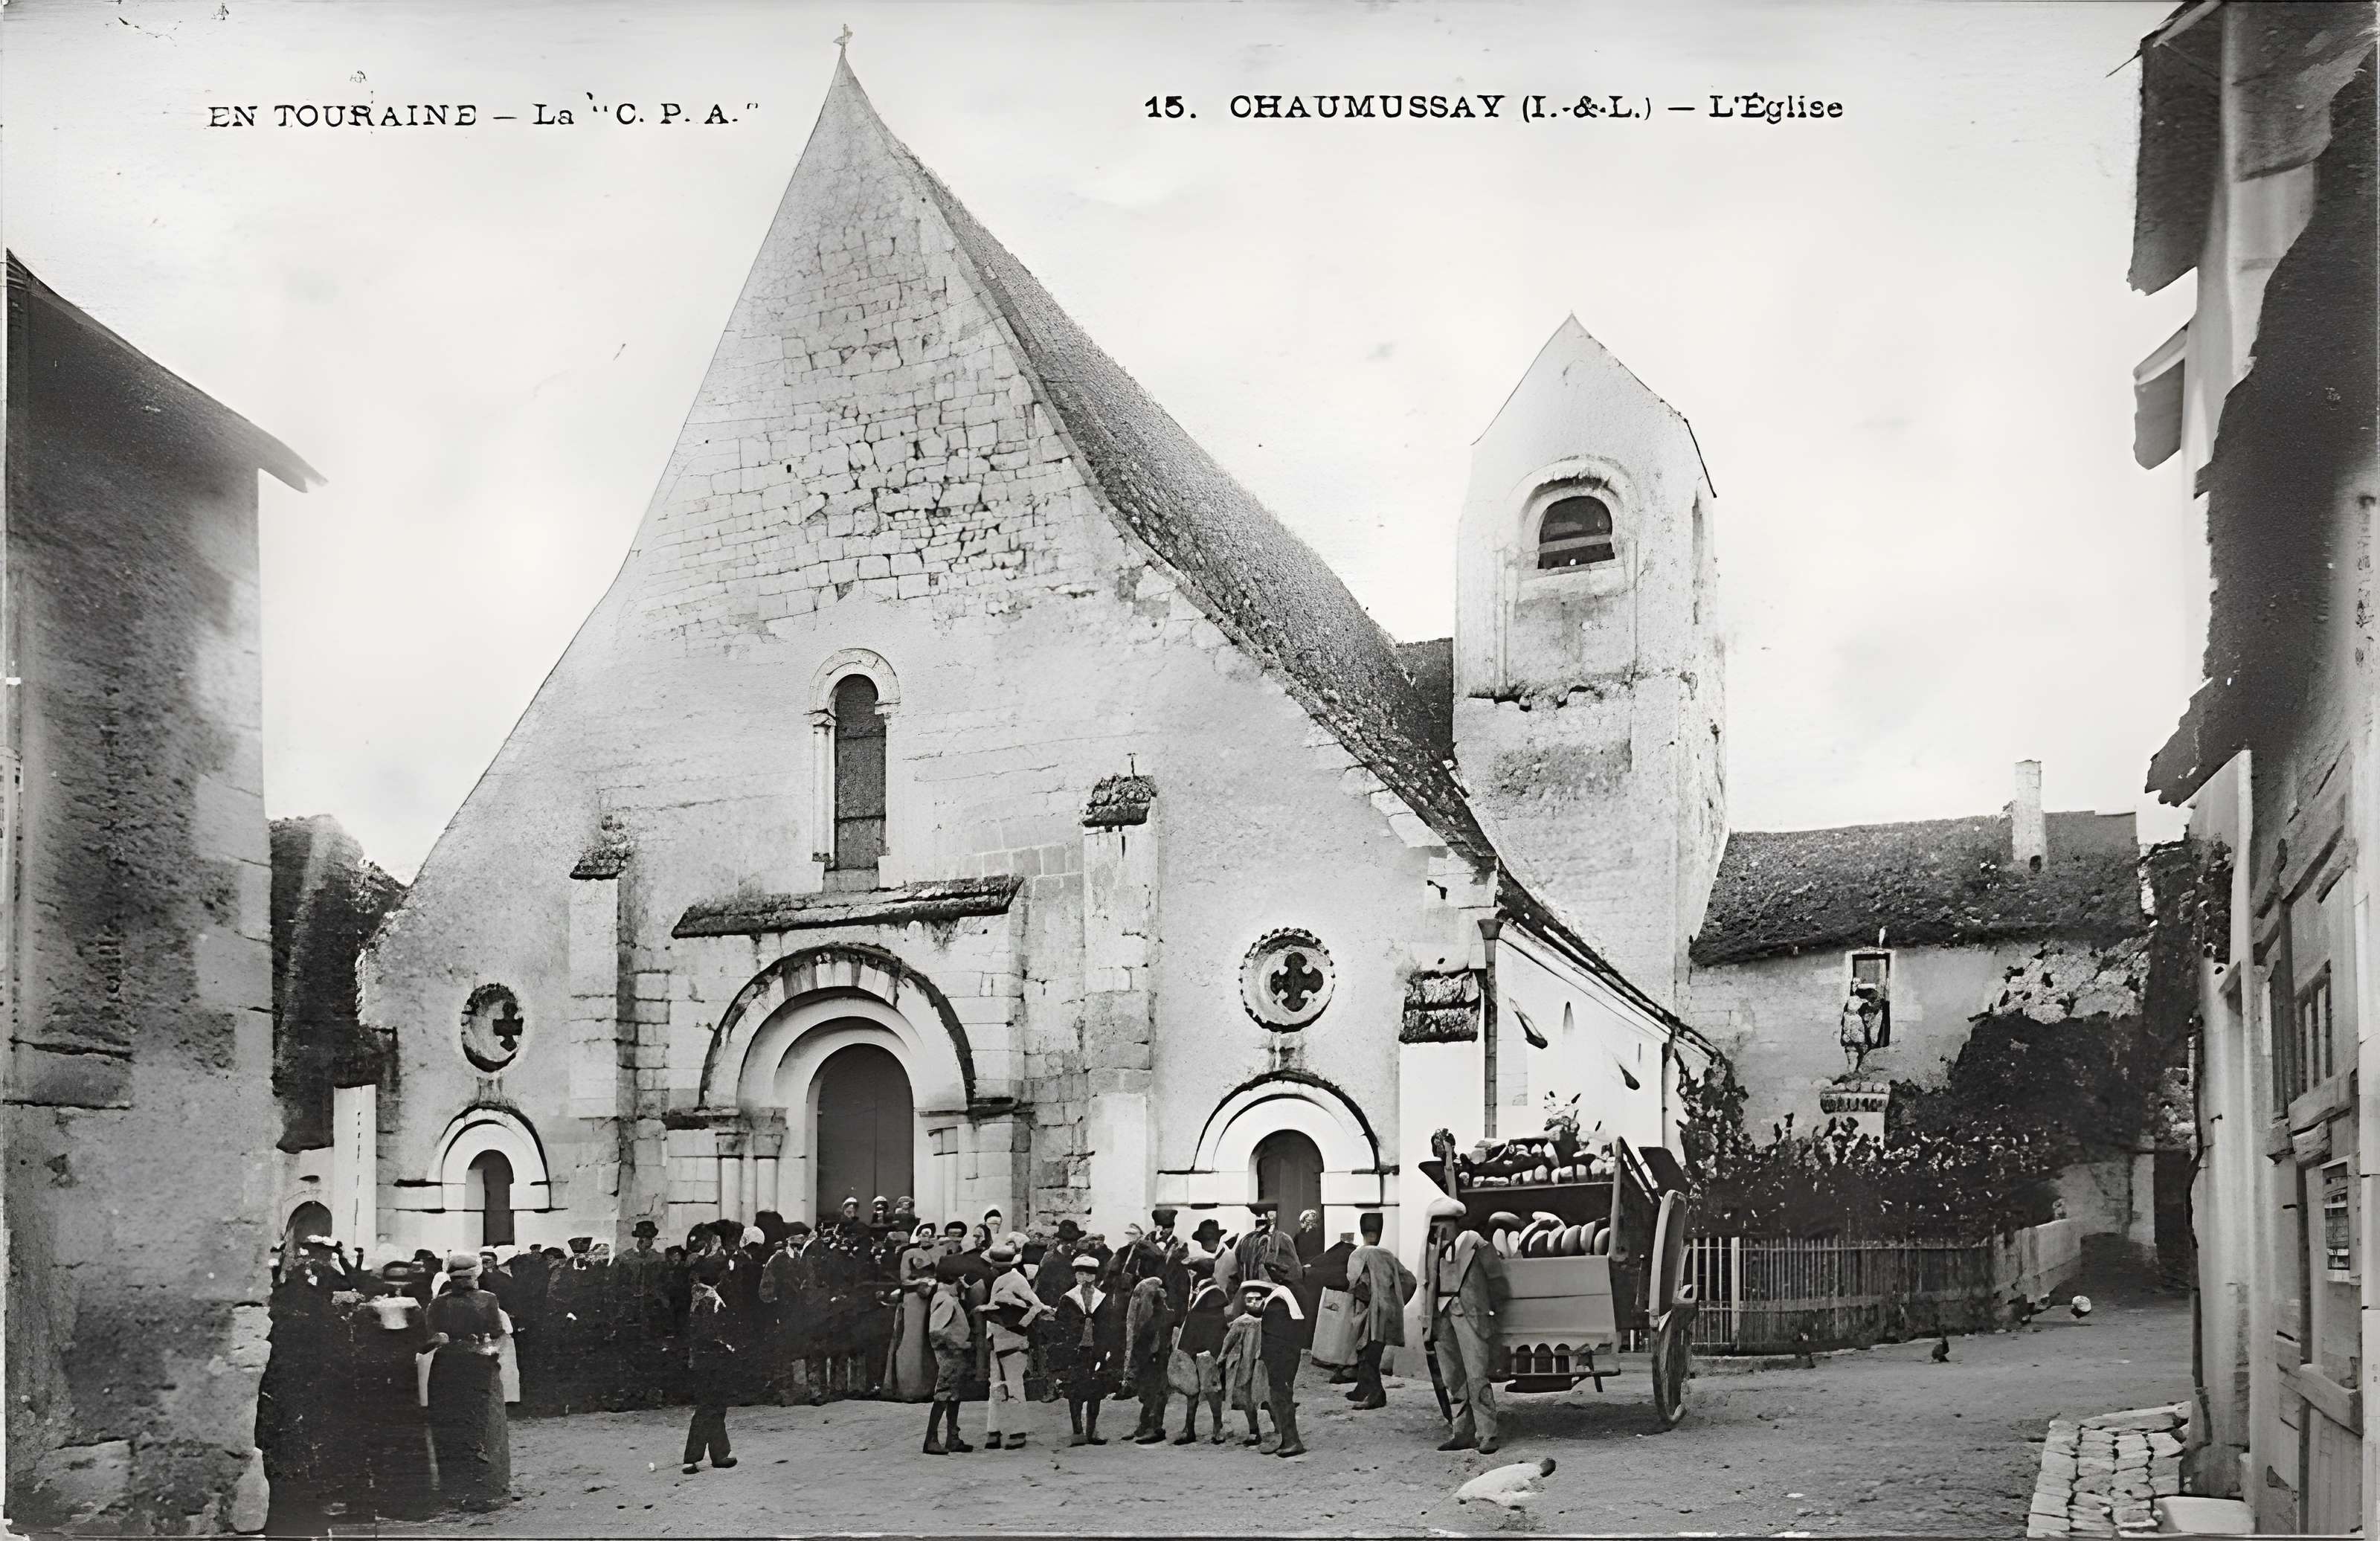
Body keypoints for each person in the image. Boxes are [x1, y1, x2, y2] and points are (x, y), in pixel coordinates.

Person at [348, 1263, 436, 1521]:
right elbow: (422, 1342)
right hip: (404, 1380)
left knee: (385, 1439)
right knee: (408, 1439)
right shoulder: (415, 1309)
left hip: (380, 1382)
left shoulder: (370, 1310)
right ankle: (413, 1499)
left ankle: (389, 1498)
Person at [425, 1253, 512, 1511]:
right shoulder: (440, 1304)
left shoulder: (485, 1299)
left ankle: (480, 1487)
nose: (463, 1282)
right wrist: (437, 1339)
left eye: (466, 1277)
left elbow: (498, 1333)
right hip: (455, 1366)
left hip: (472, 1365)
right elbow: (427, 1337)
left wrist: (492, 1349)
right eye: (458, 1278)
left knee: (477, 1424)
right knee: (457, 1425)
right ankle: (461, 1488)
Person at [1422, 1195, 1508, 1455]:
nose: (1437, 1233)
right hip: (1442, 1317)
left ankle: (1488, 1434)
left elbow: (1497, 1281)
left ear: (1453, 1224)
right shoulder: (1432, 1250)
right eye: (1434, 1227)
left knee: (1476, 1376)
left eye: (1441, 1227)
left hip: (1472, 1315)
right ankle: (1462, 1433)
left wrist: (1492, 1313)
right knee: (1453, 1377)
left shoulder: (1477, 1244)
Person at [1345, 1211, 1416, 1410]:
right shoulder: (1388, 1255)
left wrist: (1366, 1299)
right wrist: (1397, 1302)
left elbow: (1354, 1284)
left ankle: (1377, 1395)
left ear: (1362, 1231)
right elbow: (1410, 1281)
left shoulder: (1359, 1254)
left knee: (1366, 1355)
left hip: (1370, 1312)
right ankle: (1362, 1388)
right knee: (1373, 1352)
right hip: (1388, 1313)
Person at [981, 1239, 1046, 1450]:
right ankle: (994, 1430)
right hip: (995, 1339)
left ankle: (1018, 1430)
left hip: (1013, 1341)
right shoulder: (995, 1280)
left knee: (1015, 1385)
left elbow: (1036, 1306)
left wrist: (1020, 1326)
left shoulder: (1018, 1281)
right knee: (995, 1387)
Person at [1052, 1255, 1122, 1446]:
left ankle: (1092, 1430)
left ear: (1094, 1277)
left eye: (1088, 1275)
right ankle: (1078, 1431)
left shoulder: (1102, 1298)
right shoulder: (1068, 1298)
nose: (1084, 1278)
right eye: (1080, 1274)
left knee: (1096, 1390)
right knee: (1074, 1389)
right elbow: (1060, 1326)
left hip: (1096, 1350)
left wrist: (1107, 1349)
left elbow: (1109, 1326)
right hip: (1076, 1350)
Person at [681, 1258, 739, 1474]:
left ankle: (720, 1453)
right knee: (710, 1406)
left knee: (713, 1405)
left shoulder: (698, 1295)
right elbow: (714, 1332)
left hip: (701, 1356)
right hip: (714, 1356)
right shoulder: (710, 1298)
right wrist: (729, 1346)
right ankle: (692, 1457)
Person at [1171, 1251, 1229, 1444]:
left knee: (1212, 1389)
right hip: (1194, 1347)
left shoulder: (1214, 1294)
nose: (1189, 1274)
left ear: (1198, 1273)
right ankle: (1189, 1428)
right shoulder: (1200, 1290)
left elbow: (1213, 1328)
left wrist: (1209, 1352)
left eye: (1192, 1271)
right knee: (1192, 1389)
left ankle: (1218, 1427)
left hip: (1207, 1350)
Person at [1249, 1278, 1307, 1457]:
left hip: (1280, 1360)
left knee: (1281, 1397)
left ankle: (1292, 1441)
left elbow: (1274, 1341)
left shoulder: (1275, 1306)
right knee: (1282, 1397)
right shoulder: (1285, 1300)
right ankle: (1288, 1439)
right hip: (1288, 1356)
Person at [923, 1257, 975, 1454]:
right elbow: (936, 1331)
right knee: (944, 1394)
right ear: (956, 1278)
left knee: (954, 1395)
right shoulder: (945, 1300)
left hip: (954, 1354)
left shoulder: (946, 1297)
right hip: (949, 1354)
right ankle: (931, 1440)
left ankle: (952, 1438)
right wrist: (958, 1344)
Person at [1212, 1201, 1302, 1313]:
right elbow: (1295, 1275)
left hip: (1248, 1299)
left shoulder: (1244, 1241)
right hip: (1271, 1299)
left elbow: (1234, 1278)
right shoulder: (1281, 1239)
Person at [887, 1223, 939, 1400]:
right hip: (914, 1300)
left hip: (934, 1299)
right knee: (913, 1341)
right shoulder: (909, 1254)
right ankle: (910, 1388)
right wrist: (922, 1281)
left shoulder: (940, 1252)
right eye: (923, 1234)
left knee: (931, 1342)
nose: (926, 1237)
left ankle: (930, 1388)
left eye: (930, 1234)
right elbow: (905, 1280)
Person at [1123, 1264, 1174, 1443]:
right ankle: (1145, 1425)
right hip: (1150, 1358)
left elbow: (1156, 1341)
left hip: (1155, 1359)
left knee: (1155, 1393)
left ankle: (1154, 1427)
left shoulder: (1160, 1316)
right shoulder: (1157, 1315)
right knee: (1149, 1392)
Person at [1218, 1284, 1270, 1447]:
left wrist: (1222, 1359)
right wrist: (1222, 1358)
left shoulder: (1262, 1321)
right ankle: (1258, 1431)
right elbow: (1228, 1342)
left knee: (1261, 1399)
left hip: (1258, 1365)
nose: (1254, 1302)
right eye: (1250, 1300)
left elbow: (1227, 1344)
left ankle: (1268, 1431)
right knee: (1253, 1400)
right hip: (1250, 1366)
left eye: (1257, 1299)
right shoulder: (1244, 1322)